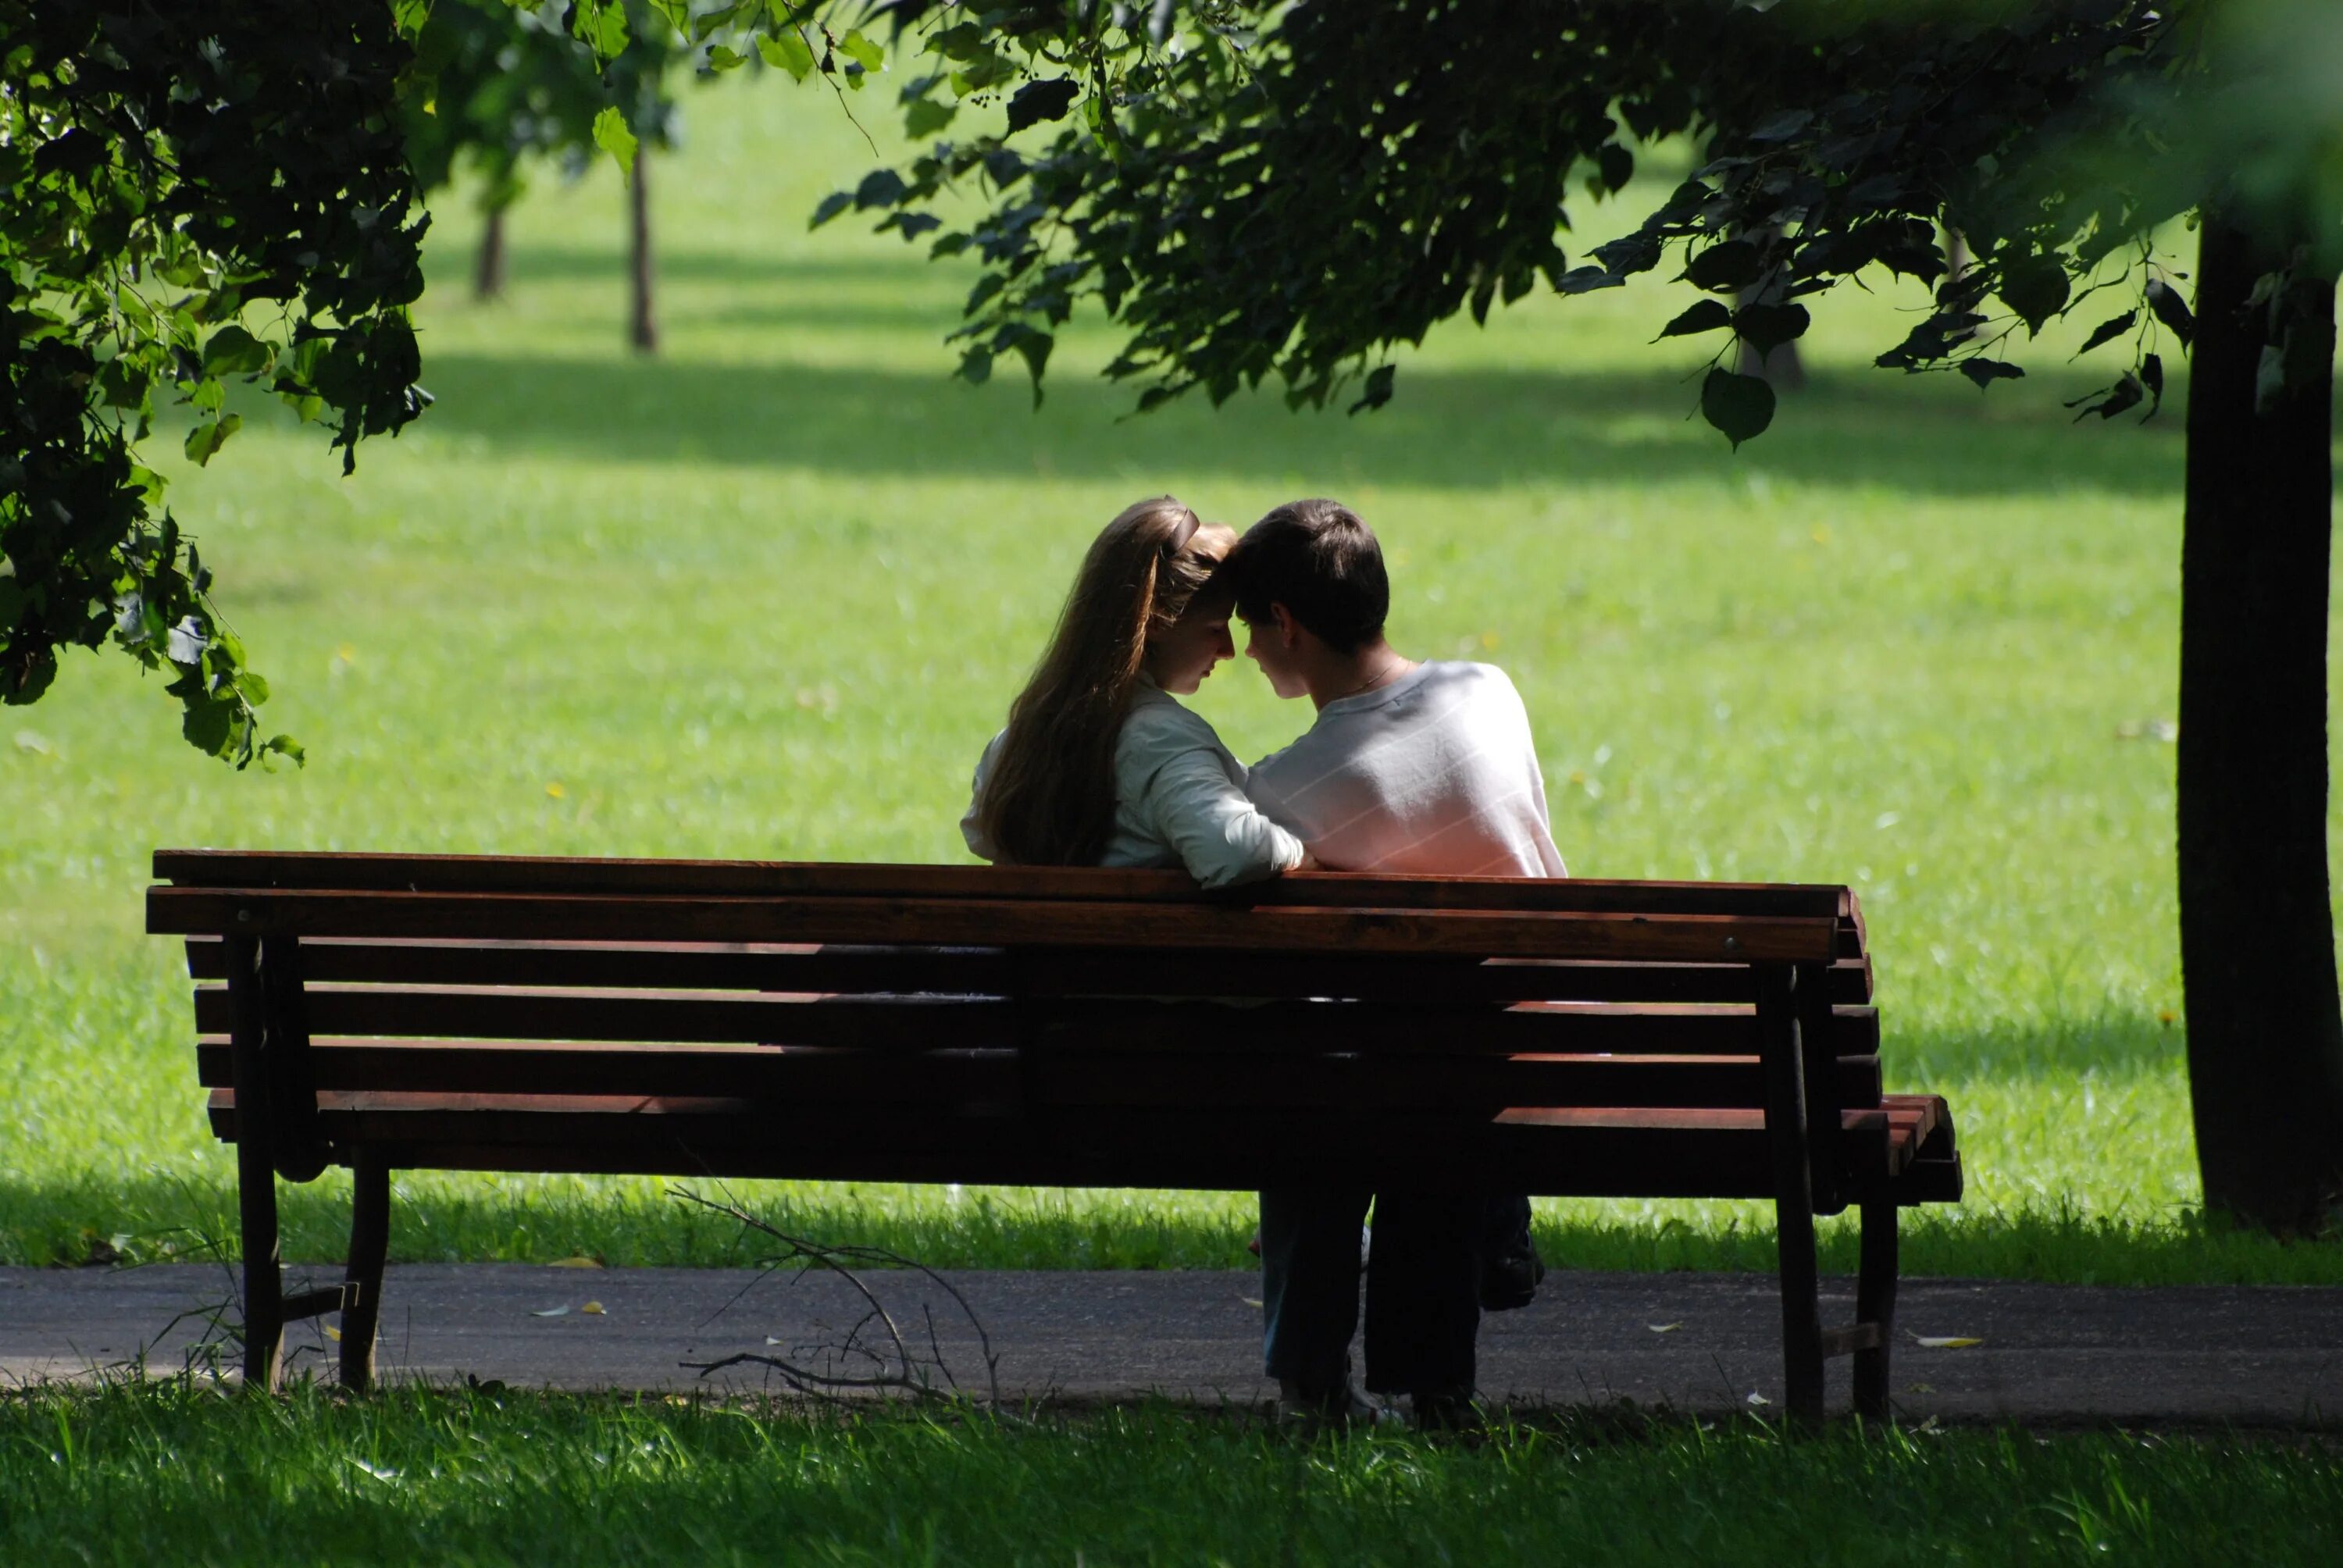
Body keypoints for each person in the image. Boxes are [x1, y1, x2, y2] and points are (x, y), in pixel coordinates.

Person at [1222, 497, 1565, 1427]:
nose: (1248, 650)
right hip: (1533, 1044)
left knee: (1333, 1100)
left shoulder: (1293, 786)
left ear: (1287, 625)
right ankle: (1439, 1380)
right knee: (1427, 1075)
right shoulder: (1487, 689)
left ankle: (1310, 1386)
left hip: (1393, 1071)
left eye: (1254, 628)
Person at [962, 497, 1305, 887]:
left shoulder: (1015, 745)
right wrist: (1300, 849)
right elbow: (1237, 852)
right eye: (1214, 628)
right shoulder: (1160, 741)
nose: (1227, 650)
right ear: (1156, 619)